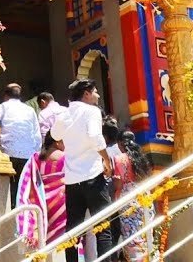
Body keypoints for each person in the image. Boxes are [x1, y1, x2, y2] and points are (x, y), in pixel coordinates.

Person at [51, 79, 113, 262]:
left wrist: (68, 143)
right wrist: (107, 160)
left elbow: (54, 135)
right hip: (93, 176)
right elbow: (95, 137)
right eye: (95, 91)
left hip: (72, 180)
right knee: (103, 227)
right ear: (86, 93)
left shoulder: (64, 114)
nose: (98, 95)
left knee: (73, 230)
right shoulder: (92, 111)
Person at [103, 121, 146, 262]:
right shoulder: (141, 158)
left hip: (127, 200)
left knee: (131, 237)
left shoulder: (119, 159)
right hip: (143, 197)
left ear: (120, 143)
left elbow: (119, 183)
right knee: (143, 233)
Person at [17, 133, 67, 249]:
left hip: (40, 201)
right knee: (59, 242)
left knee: (43, 236)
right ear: (58, 141)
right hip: (61, 203)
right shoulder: (67, 157)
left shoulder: (35, 158)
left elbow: (27, 181)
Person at [0, 83, 43, 192]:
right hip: (27, 155)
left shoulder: (1, 108)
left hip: (7, 153)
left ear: (6, 96)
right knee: (22, 190)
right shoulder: (30, 110)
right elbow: (37, 136)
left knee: (8, 189)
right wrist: (34, 154)